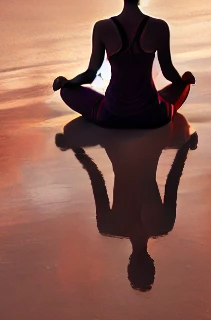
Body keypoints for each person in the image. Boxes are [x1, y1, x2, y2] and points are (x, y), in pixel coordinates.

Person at [57, 115, 198, 291]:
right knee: (71, 132)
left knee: (72, 129)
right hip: (122, 141)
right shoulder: (109, 227)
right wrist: (75, 149)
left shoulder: (163, 225)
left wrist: (186, 145)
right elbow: (96, 178)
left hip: (141, 141)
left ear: (151, 263)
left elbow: (173, 178)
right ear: (130, 265)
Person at [53, 0, 194, 129]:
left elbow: (90, 74)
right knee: (181, 85)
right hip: (152, 115)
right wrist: (182, 82)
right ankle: (168, 93)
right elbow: (169, 72)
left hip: (112, 115)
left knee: (67, 91)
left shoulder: (102, 28)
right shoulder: (159, 27)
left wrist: (67, 82)